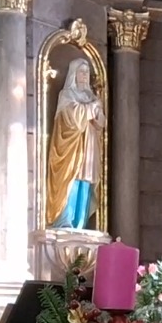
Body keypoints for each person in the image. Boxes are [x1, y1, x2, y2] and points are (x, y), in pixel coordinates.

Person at [45, 58, 106, 230]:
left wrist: (98, 113)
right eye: (81, 71)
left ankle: (80, 224)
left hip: (89, 148)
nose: (85, 75)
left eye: (87, 72)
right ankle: (65, 221)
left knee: (85, 182)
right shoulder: (66, 95)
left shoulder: (92, 97)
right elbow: (72, 118)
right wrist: (92, 108)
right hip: (71, 149)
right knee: (71, 180)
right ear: (74, 74)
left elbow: (101, 123)